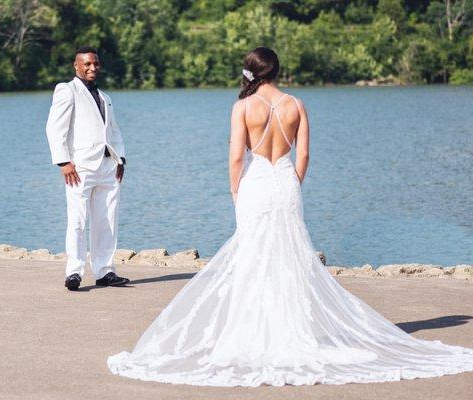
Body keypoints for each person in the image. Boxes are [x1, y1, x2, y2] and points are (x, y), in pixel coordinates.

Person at [106, 47, 473, 386]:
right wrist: (291, 183)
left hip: (256, 185)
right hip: (285, 183)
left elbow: (236, 157)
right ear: (277, 71)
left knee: (253, 258)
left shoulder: (243, 107)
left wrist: (236, 190)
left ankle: (255, 333)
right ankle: (292, 331)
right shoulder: (296, 104)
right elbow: (305, 156)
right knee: (289, 259)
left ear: (250, 73)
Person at [45, 46, 130, 291]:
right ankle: (74, 272)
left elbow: (113, 131)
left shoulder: (105, 97)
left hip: (108, 166)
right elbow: (54, 128)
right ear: (76, 65)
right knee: (78, 220)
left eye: (96, 64)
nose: (92, 68)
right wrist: (63, 162)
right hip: (79, 168)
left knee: (107, 220)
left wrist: (120, 159)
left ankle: (105, 271)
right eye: (87, 64)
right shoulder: (66, 90)